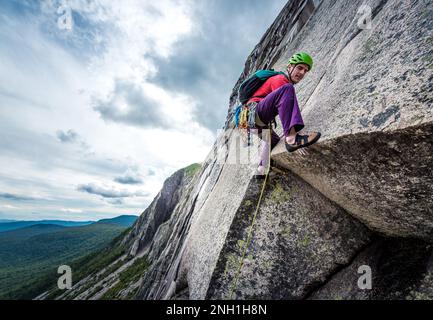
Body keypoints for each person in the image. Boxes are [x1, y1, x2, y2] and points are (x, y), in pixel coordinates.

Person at [246, 52, 321, 176]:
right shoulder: (281, 79)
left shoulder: (282, 81)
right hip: (255, 114)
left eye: (305, 71)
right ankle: (292, 139)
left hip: (254, 123)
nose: (302, 73)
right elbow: (285, 108)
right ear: (290, 67)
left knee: (273, 140)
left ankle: (261, 170)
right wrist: (294, 136)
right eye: (300, 67)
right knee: (287, 89)